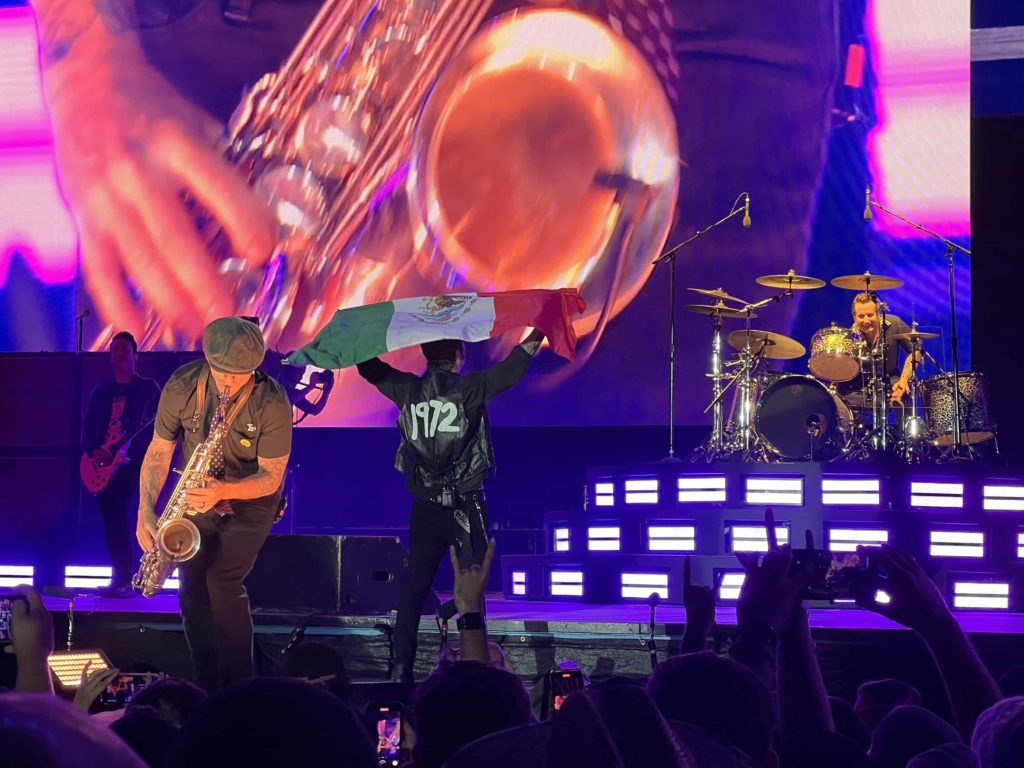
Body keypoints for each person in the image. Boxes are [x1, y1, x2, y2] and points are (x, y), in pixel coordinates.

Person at [356, 330, 544, 682]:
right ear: (460, 356)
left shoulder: (408, 389)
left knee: (413, 593)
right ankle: (476, 669)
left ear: (427, 357)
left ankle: (400, 674)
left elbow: (370, 369)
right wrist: (540, 330)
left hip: (425, 508)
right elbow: (515, 367)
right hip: (465, 507)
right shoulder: (469, 388)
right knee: (472, 589)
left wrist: (355, 341)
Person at [135, 316, 292, 690]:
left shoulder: (272, 401)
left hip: (251, 501)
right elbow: (159, 451)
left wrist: (224, 490)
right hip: (197, 494)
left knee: (222, 580)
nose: (229, 382)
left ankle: (241, 684)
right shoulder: (182, 386)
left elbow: (271, 478)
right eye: (222, 373)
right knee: (190, 589)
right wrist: (146, 509)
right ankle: (206, 683)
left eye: (239, 375)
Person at [81, 331, 161, 594]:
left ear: (135, 355)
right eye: (115, 349)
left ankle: (151, 576)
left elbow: (163, 425)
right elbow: (88, 426)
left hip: (138, 463)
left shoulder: (148, 389)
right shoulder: (102, 391)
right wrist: (94, 452)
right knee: (113, 521)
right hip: (104, 465)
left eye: (125, 349)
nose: (120, 353)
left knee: (147, 519)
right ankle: (122, 579)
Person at [845, 291, 918, 408]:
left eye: (870, 315)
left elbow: (916, 350)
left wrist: (904, 380)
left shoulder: (894, 323)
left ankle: (904, 426)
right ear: (854, 317)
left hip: (890, 380)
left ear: (878, 314)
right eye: (861, 316)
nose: (866, 320)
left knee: (901, 395)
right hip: (860, 384)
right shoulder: (849, 336)